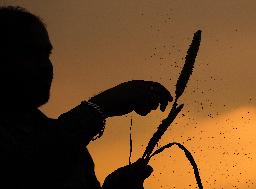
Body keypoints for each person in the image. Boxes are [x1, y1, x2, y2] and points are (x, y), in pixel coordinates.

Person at [0, 6, 173, 189]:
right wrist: (100, 106)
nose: (45, 66)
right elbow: (29, 169)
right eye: (29, 54)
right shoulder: (61, 142)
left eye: (46, 54)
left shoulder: (69, 146)